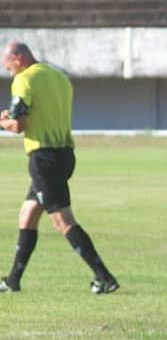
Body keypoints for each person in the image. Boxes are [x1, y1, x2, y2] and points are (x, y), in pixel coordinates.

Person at [0, 41, 118, 294]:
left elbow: (19, 124)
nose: (8, 71)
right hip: (65, 154)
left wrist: (3, 123)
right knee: (27, 214)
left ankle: (104, 277)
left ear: (18, 58)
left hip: (43, 157)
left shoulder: (23, 79)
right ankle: (12, 281)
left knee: (62, 220)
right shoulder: (59, 77)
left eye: (7, 66)